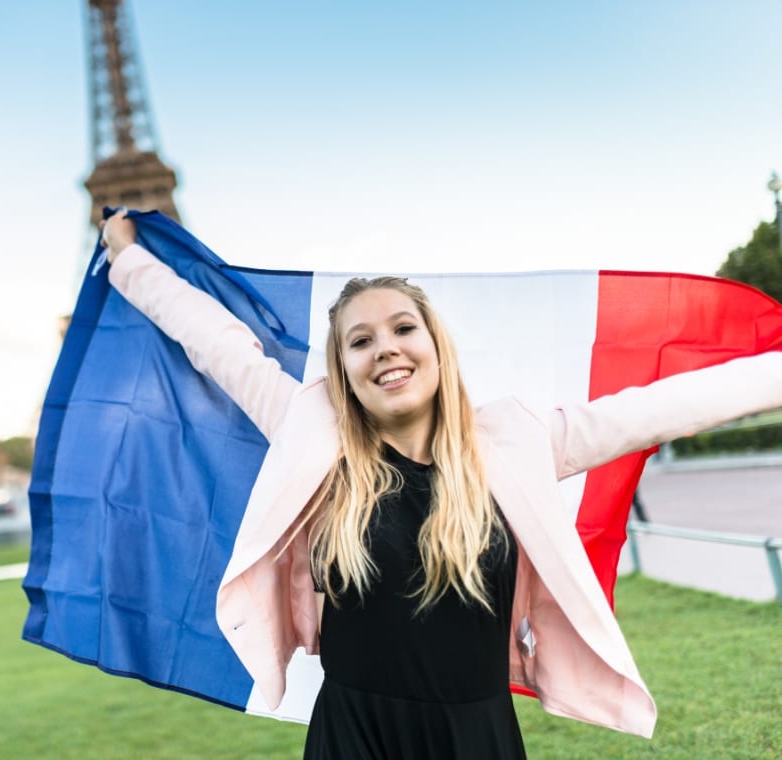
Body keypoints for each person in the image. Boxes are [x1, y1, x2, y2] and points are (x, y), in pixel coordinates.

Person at [99, 210, 782, 758]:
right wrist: (128, 258)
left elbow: (658, 407)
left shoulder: (513, 445)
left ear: (435, 345)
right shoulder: (312, 434)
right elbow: (216, 343)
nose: (385, 348)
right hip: (354, 733)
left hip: (476, 735)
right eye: (359, 341)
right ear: (343, 369)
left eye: (402, 327)